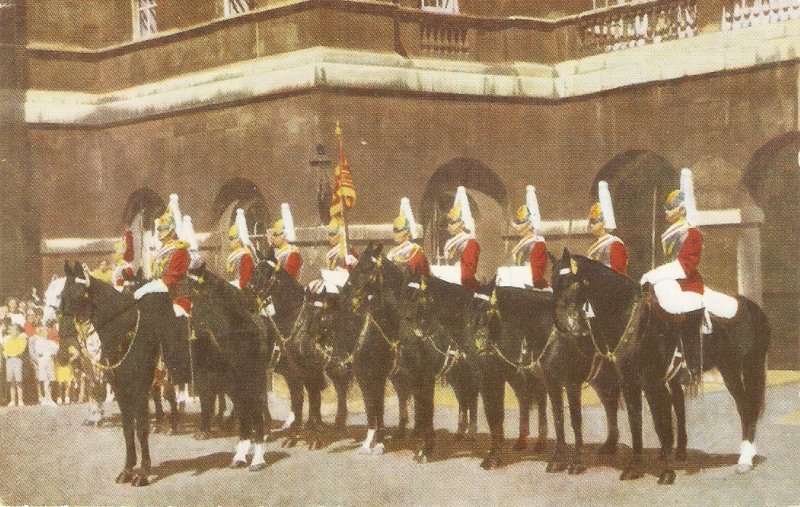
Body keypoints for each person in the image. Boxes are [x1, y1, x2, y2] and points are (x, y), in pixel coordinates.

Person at [640, 168, 705, 381]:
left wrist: (653, 274)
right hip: (667, 281)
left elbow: (684, 266)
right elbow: (667, 263)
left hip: (687, 284)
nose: (666, 212)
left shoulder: (692, 232)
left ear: (681, 209)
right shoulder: (667, 235)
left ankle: (688, 361)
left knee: (677, 308)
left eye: (670, 208)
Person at [134, 193, 192, 317]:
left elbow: (171, 279)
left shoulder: (180, 250)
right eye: (159, 229)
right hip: (162, 299)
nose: (159, 232)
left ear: (171, 230)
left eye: (162, 229)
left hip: (178, 301)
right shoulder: (163, 250)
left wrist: (147, 289)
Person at [509, 185, 549, 289]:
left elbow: (537, 274)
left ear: (529, 224)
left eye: (521, 223)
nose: (517, 228)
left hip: (530, 286)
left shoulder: (537, 243)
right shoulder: (522, 242)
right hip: (518, 283)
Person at [442, 186, 480, 291]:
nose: (449, 226)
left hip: (462, 280)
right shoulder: (449, 241)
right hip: (450, 277)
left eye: (453, 222)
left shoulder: (468, 241)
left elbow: (469, 268)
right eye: (449, 222)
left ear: (462, 224)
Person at [586, 181, 628, 276]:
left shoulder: (615, 244)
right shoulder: (593, 245)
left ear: (603, 222)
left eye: (594, 222)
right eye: (590, 222)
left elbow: (618, 272)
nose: (591, 225)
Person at [386, 197, 429, 277]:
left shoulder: (415, 250)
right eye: (394, 231)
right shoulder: (392, 251)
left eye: (398, 231)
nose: (395, 234)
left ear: (407, 233)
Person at [271, 203, 303, 281]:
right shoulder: (276, 251)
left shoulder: (292, 253)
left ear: (283, 235)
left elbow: (289, 277)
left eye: (275, 235)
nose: (272, 237)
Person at [227, 208, 257, 290]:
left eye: (231, 239)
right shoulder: (237, 254)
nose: (230, 242)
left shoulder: (245, 255)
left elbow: (246, 278)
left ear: (238, 239)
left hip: (242, 288)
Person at [31, 325, 59, 405]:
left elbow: (55, 349)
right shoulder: (39, 341)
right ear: (41, 332)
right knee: (45, 379)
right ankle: (47, 398)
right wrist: (49, 351)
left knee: (51, 379)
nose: (46, 332)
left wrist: (50, 351)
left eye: (46, 331)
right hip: (43, 360)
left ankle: (48, 398)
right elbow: (39, 351)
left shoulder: (49, 342)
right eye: (44, 331)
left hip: (49, 360)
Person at [3, 322, 27, 407]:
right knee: (11, 381)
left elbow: (21, 350)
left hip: (17, 360)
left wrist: (14, 354)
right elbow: (5, 350)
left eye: (14, 330)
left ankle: (20, 400)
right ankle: (12, 400)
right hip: (9, 361)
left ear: (17, 331)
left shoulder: (21, 340)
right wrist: (7, 355)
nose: (12, 332)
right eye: (11, 330)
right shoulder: (7, 340)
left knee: (18, 381)